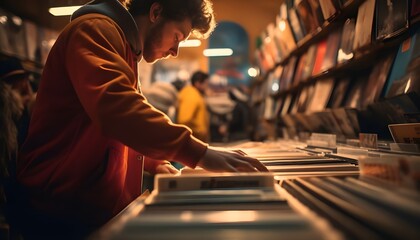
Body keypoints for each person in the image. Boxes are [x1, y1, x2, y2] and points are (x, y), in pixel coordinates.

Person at [14, 0, 267, 238]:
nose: (175, 51)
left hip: (82, 206)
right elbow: (116, 109)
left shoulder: (124, 46)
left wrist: (155, 162)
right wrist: (199, 153)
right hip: (57, 209)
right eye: (177, 36)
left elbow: (120, 129)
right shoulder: (94, 30)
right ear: (155, 13)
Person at [177, 70, 210, 142]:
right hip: (194, 140)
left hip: (196, 140)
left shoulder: (195, 94)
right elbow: (184, 120)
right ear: (198, 83)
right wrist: (199, 132)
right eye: (206, 84)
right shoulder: (191, 96)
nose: (207, 87)